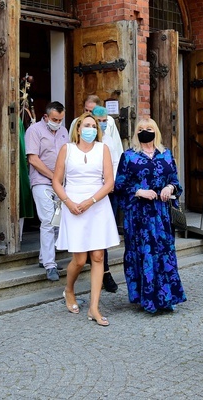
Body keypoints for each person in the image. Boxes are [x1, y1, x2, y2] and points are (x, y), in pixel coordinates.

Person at [53, 112, 120, 326]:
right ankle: (69, 289)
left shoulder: (103, 149)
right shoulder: (67, 149)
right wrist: (68, 202)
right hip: (72, 205)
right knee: (80, 259)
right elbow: (56, 181)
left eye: (94, 125)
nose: (91, 128)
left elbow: (109, 182)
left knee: (98, 256)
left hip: (97, 205)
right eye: (87, 125)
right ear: (79, 128)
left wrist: (91, 201)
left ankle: (94, 307)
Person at [114, 117, 186, 313]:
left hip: (161, 214)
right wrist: (139, 191)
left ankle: (166, 297)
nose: (145, 131)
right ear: (136, 133)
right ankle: (146, 299)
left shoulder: (166, 155)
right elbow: (119, 186)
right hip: (138, 215)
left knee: (164, 253)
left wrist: (169, 187)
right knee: (142, 252)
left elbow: (175, 182)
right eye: (141, 128)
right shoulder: (128, 156)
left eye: (149, 128)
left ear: (156, 131)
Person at [69, 96, 123, 293]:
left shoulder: (110, 124)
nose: (94, 122)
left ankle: (104, 273)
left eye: (97, 117)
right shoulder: (78, 124)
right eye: (89, 113)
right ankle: (83, 276)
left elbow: (117, 152)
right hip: (84, 189)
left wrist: (116, 181)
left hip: (107, 188)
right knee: (85, 239)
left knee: (102, 235)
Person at [25, 101, 69, 281]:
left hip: (60, 183)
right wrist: (53, 176)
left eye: (60, 119)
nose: (57, 122)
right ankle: (50, 265)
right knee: (48, 221)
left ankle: (44, 258)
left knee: (57, 222)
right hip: (42, 182)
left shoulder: (64, 132)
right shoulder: (34, 131)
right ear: (46, 117)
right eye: (54, 119)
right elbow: (33, 159)